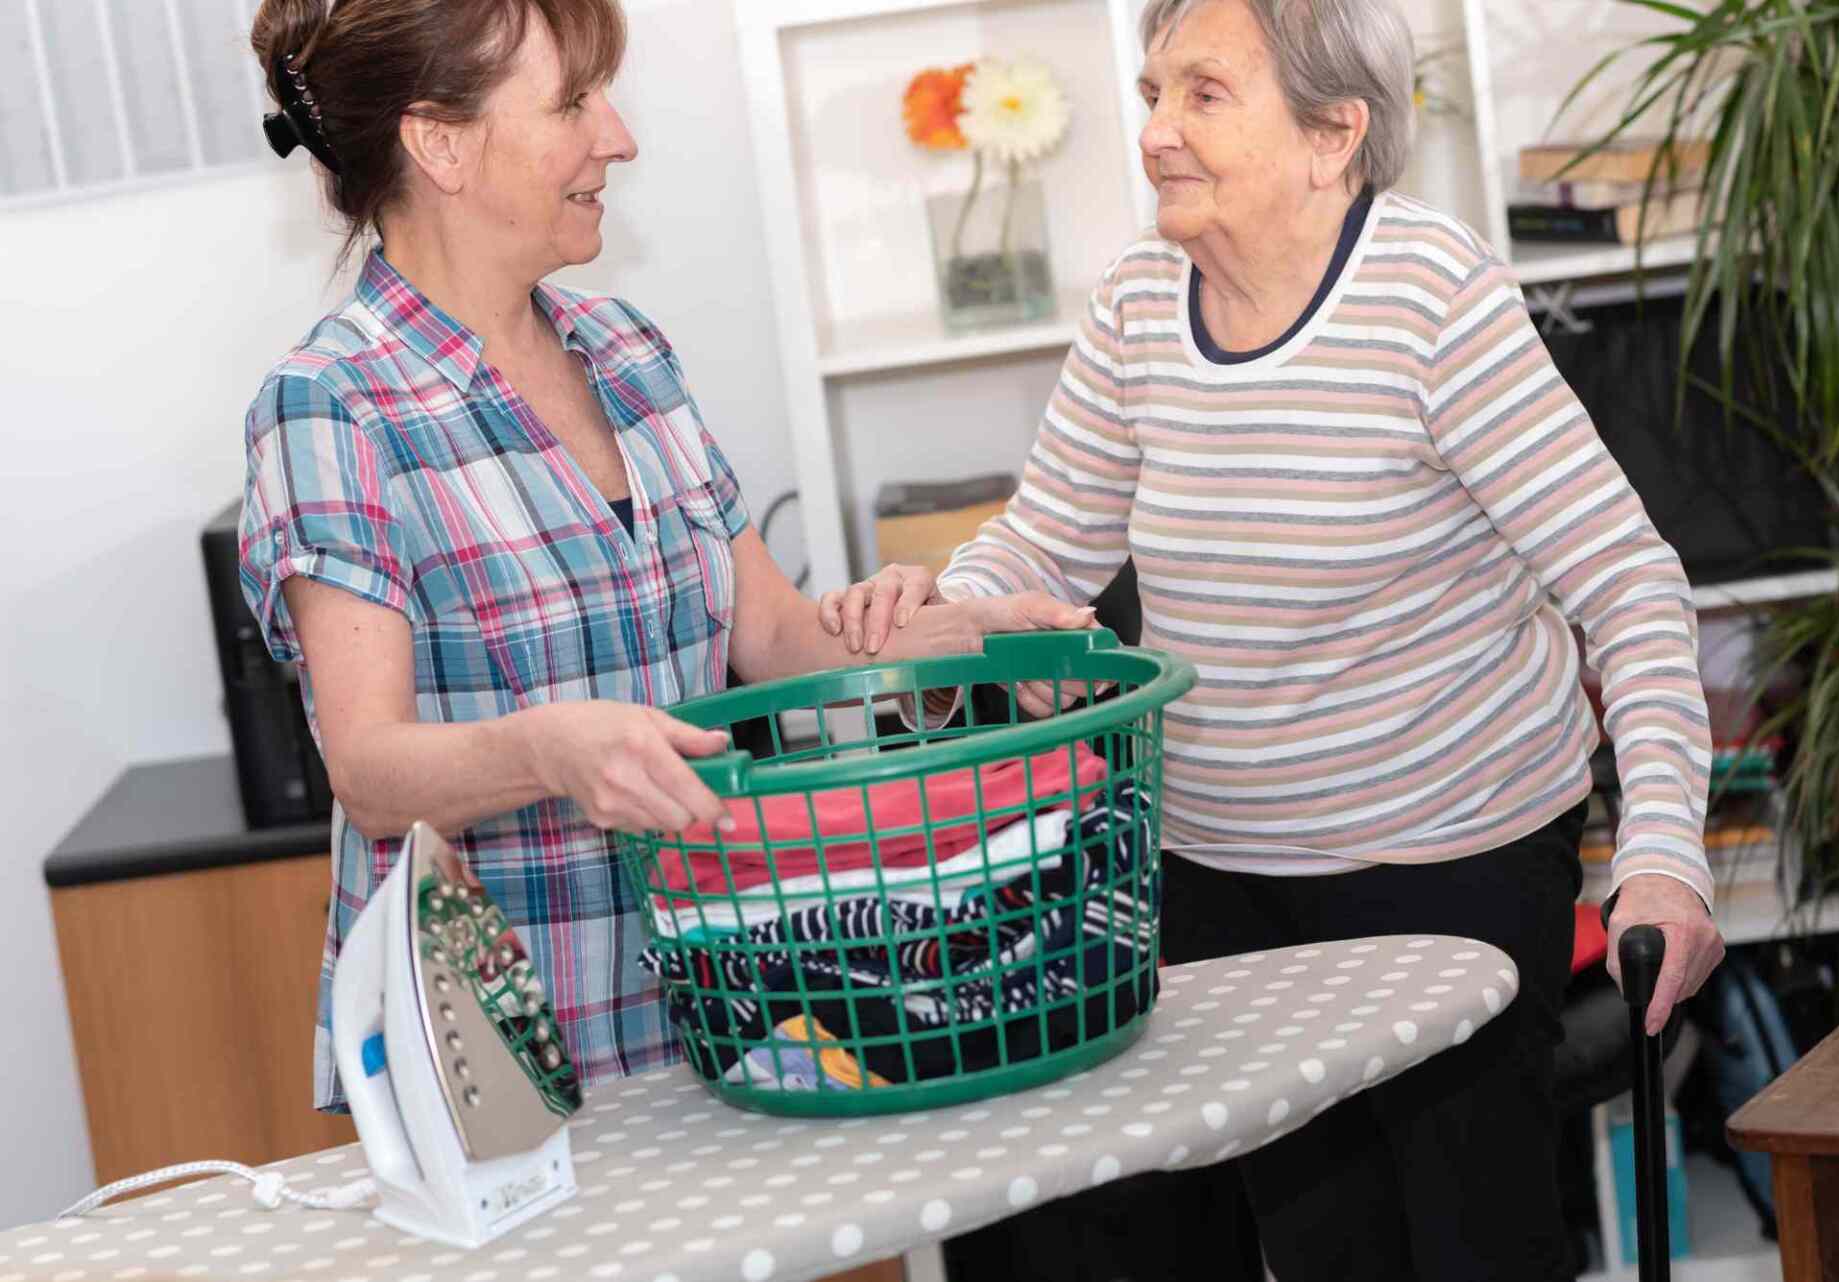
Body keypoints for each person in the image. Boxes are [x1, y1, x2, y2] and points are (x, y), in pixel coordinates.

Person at [819, 0, 1727, 1276]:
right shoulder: (1142, 301)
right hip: (1221, 874)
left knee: (1475, 1245)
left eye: (1202, 93)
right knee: (1318, 1246)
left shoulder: (1430, 297)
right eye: (1150, 94)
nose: (1155, 134)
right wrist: (945, 609)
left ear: (1332, 133)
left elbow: (1628, 581)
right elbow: (1041, 542)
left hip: (1451, 863)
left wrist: (1668, 851)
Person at [237, 0, 1086, 1113]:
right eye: (573, 103)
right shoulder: (332, 405)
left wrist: (965, 641)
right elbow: (371, 768)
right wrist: (551, 750)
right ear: (438, 142)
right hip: (502, 1068)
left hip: (726, 1019)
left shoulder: (626, 351)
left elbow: (778, 637)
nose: (619, 137)